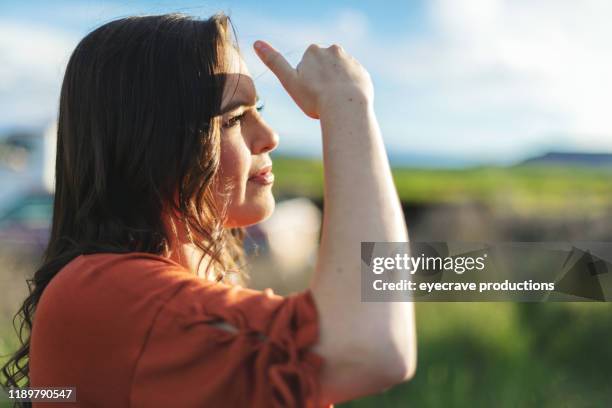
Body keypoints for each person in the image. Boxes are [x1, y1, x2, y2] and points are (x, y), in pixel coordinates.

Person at [1, 13, 416, 407]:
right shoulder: (102, 294)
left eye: (260, 112)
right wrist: (348, 105)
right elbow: (371, 348)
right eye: (235, 118)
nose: (269, 137)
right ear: (150, 141)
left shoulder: (164, 294)